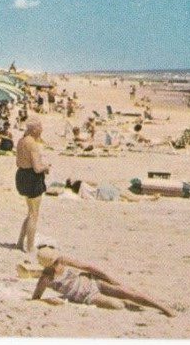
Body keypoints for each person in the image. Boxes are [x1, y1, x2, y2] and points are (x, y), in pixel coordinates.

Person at [32, 246, 175, 317]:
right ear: (48, 265)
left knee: (127, 292)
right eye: (54, 262)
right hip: (87, 296)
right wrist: (48, 301)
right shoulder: (45, 279)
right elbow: (35, 299)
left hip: (93, 281)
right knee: (118, 305)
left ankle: (162, 307)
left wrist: (110, 279)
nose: (57, 263)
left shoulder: (63, 260)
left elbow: (88, 267)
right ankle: (139, 306)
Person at [15, 119, 50, 253]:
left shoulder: (21, 141)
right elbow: (36, 168)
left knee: (30, 212)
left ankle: (20, 242)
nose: (41, 130)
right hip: (32, 177)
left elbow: (18, 161)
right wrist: (45, 167)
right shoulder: (32, 144)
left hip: (21, 175)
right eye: (40, 127)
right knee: (34, 214)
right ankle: (29, 246)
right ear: (35, 129)